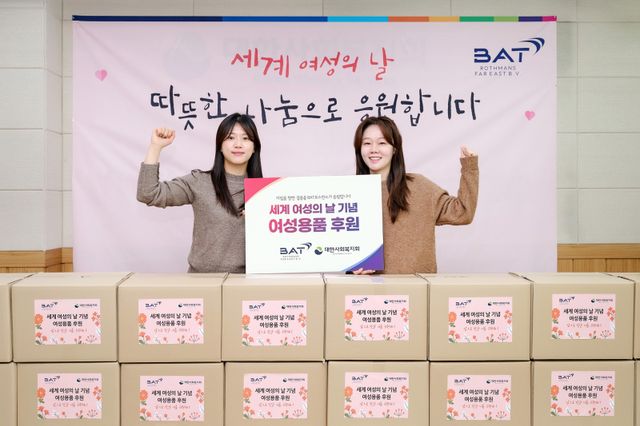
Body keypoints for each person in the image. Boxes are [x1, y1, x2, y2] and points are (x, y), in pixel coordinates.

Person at [136, 113, 263, 273]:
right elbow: (148, 193)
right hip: (202, 281)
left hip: (247, 282)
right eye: (231, 138)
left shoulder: (266, 192)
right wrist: (155, 147)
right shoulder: (199, 182)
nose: (238, 144)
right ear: (220, 146)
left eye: (245, 138)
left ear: (254, 147)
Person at [352, 116, 478, 274]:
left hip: (418, 288)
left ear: (394, 149)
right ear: (359, 149)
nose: (374, 149)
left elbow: (463, 213)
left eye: (382, 143)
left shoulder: (420, 187)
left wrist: (469, 168)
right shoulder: (350, 194)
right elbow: (343, 250)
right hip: (369, 289)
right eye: (367, 143)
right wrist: (353, 271)